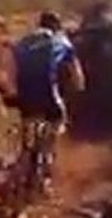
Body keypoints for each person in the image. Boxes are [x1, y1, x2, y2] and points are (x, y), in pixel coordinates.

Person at [11, 10, 86, 195]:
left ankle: (23, 160)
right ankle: (45, 171)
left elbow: (13, 61)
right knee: (57, 120)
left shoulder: (24, 41)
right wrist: (78, 88)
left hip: (24, 95)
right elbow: (77, 78)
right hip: (48, 96)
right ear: (56, 27)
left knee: (28, 132)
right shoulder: (62, 42)